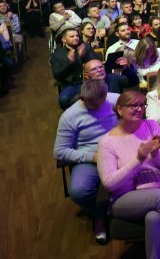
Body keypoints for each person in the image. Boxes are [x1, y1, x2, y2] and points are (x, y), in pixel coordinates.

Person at [97, 91, 160, 259]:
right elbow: (109, 183)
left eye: (141, 105)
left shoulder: (152, 126)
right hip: (124, 198)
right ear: (119, 110)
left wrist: (155, 154)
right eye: (133, 105)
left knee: (153, 218)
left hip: (153, 189)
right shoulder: (107, 142)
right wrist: (138, 158)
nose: (139, 109)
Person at [53, 79, 117, 244]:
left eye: (101, 103)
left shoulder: (115, 100)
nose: (98, 108)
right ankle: (100, 215)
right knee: (78, 191)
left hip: (118, 150)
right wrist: (92, 157)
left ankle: (125, 210)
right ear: (82, 98)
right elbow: (59, 152)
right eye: (93, 105)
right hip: (90, 157)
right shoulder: (69, 116)